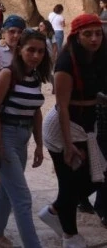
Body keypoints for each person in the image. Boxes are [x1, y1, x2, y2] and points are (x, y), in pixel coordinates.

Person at [39, 14, 107, 247]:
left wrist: (99, 99)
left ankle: (54, 211)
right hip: (63, 129)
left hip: (85, 125)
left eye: (98, 33)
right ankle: (70, 235)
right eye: (88, 34)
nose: (94, 38)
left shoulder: (97, 57)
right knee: (70, 182)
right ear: (76, 36)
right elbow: (63, 107)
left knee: (97, 178)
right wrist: (68, 146)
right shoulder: (67, 62)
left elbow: (90, 93)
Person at [0, 29, 48, 248]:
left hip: (23, 137)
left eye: (40, 51)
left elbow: (36, 111)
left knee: (6, 189)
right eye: (31, 50)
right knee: (22, 198)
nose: (36, 55)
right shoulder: (7, 74)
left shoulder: (34, 76)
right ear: (19, 49)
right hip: (6, 136)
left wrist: (39, 145)